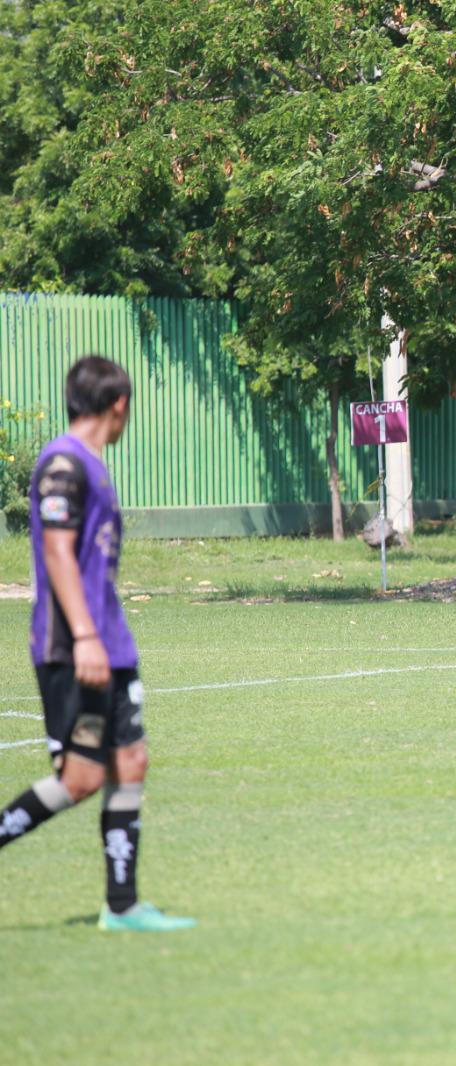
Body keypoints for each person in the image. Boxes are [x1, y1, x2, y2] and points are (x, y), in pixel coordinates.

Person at [0, 356, 195, 932]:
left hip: (113, 645)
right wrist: (85, 637)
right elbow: (58, 554)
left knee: (130, 761)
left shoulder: (94, 465)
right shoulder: (63, 463)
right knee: (80, 779)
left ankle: (123, 906)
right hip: (74, 647)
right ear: (119, 404)